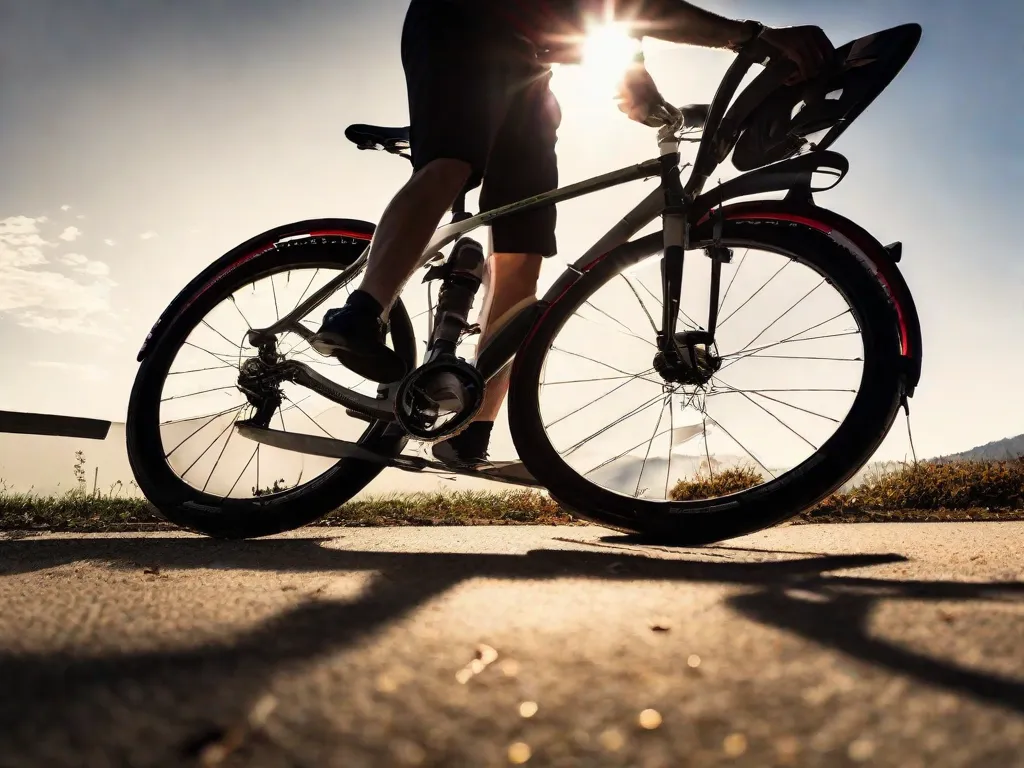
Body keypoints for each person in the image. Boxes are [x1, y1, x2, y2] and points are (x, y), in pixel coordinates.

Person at [311, 0, 834, 468]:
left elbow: (617, 19)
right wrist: (752, 36)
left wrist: (633, 71)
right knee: (453, 161)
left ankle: (469, 432)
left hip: (530, 68)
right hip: (463, 21)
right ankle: (360, 313)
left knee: (523, 252)